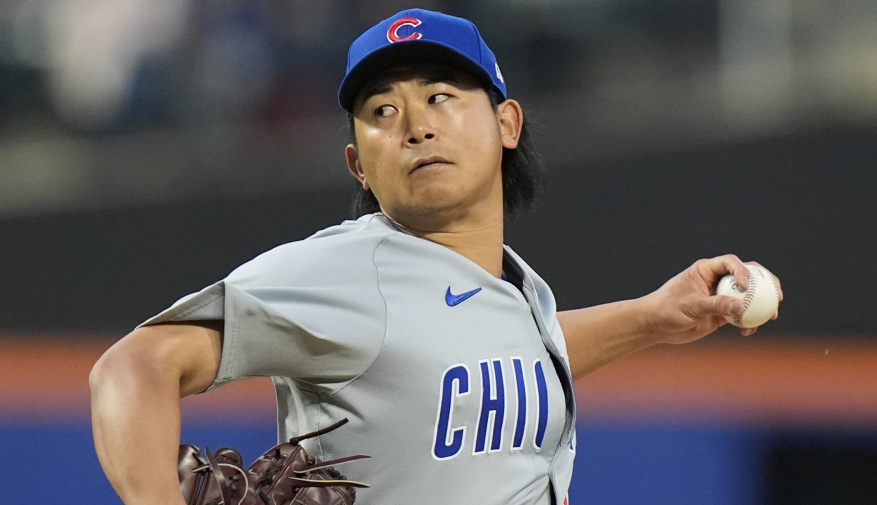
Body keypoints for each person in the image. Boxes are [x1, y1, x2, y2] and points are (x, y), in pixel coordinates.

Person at [89, 8, 782, 505]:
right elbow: (132, 365)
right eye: (382, 111)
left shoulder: (515, 289)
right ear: (359, 164)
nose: (415, 123)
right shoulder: (346, 270)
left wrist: (657, 317)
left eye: (440, 95)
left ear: (506, 122)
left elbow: (497, 355)